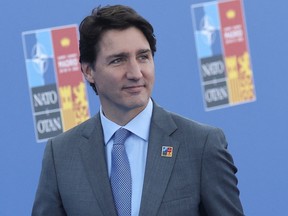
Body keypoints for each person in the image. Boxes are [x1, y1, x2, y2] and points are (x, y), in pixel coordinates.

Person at [32, 5, 244, 216]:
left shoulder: (201, 145)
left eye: (143, 57)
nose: (135, 73)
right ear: (88, 71)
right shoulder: (60, 155)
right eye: (118, 60)